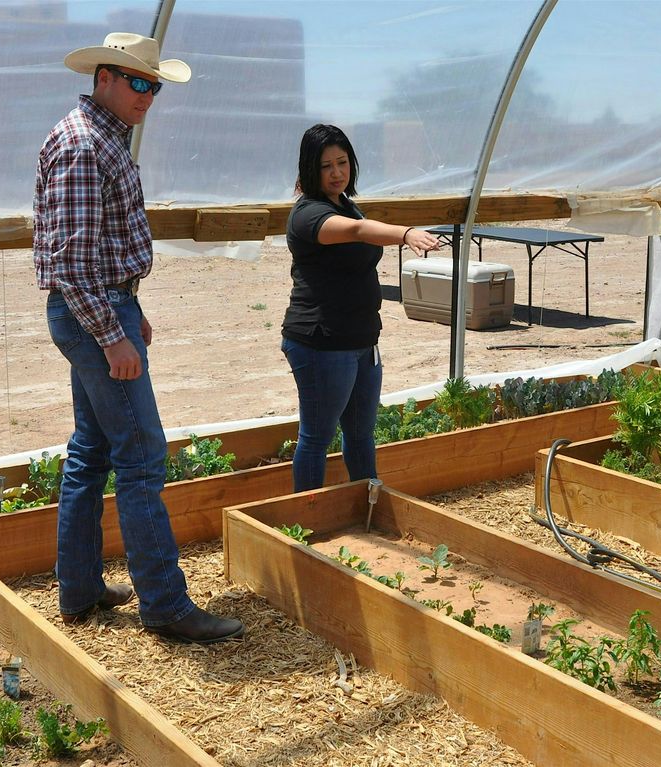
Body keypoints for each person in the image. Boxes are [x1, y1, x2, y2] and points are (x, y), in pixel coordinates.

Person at [33, 32, 243, 644]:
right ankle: (165, 605)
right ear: (104, 77)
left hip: (104, 308)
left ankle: (80, 588)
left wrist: (131, 309)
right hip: (94, 315)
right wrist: (112, 335)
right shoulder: (83, 145)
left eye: (155, 85)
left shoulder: (101, 137)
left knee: (92, 450)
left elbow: (97, 250)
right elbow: (74, 264)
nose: (148, 94)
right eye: (139, 82)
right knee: (143, 457)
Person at [282, 124, 439, 492]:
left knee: (361, 434)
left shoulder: (347, 205)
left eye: (342, 162)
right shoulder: (308, 214)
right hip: (322, 343)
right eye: (326, 166)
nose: (337, 172)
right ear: (309, 169)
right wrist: (405, 233)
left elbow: (358, 229)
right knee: (317, 438)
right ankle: (307, 514)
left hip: (362, 342)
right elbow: (356, 231)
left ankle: (367, 508)